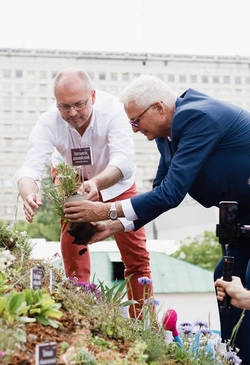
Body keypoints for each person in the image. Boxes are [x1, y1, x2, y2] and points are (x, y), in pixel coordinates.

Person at [63, 74, 250, 363]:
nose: (135, 130)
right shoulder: (167, 135)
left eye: (136, 121)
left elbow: (173, 193)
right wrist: (113, 226)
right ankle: (235, 357)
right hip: (241, 217)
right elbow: (161, 191)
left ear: (159, 108)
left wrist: (105, 210)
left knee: (246, 282)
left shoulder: (196, 117)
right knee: (225, 280)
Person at [13, 68, 152, 318]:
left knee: (136, 256)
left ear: (93, 96)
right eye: (64, 106)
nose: (73, 113)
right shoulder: (48, 121)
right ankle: (82, 313)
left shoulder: (113, 111)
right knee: (74, 243)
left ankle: (144, 322)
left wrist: (97, 183)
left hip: (115, 181)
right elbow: (30, 167)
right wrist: (29, 193)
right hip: (71, 179)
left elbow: (123, 160)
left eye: (79, 104)